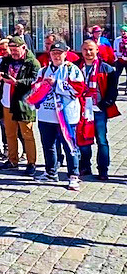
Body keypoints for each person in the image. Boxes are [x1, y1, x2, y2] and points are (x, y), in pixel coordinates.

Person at [33, 41, 84, 190]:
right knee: (48, 145)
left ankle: (73, 175)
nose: (56, 56)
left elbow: (78, 89)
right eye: (54, 53)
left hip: (66, 115)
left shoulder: (72, 69)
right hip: (46, 114)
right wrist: (40, 86)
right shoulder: (43, 70)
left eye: (59, 53)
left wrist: (56, 83)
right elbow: (35, 88)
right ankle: (50, 172)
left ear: (65, 54)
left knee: (69, 145)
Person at [0, 37, 39, 175]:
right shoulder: (6, 60)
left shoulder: (32, 62)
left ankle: (31, 163)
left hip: (24, 102)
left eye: (16, 50)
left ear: (23, 47)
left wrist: (17, 82)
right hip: (7, 101)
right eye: (11, 50)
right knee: (10, 133)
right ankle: (12, 159)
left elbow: (35, 80)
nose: (13, 52)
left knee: (27, 134)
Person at [77, 39, 118, 180]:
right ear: (81, 51)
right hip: (82, 109)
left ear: (97, 50)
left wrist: (105, 104)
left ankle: (103, 169)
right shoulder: (75, 67)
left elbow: (112, 90)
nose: (88, 52)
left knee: (101, 140)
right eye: (85, 49)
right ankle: (84, 166)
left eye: (91, 49)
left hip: (99, 109)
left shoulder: (107, 68)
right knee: (83, 139)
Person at [114, 25, 127, 91]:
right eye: (122, 31)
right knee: (117, 75)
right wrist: (116, 58)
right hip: (120, 59)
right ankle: (115, 88)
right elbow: (115, 50)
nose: (123, 33)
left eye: (124, 31)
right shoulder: (117, 40)